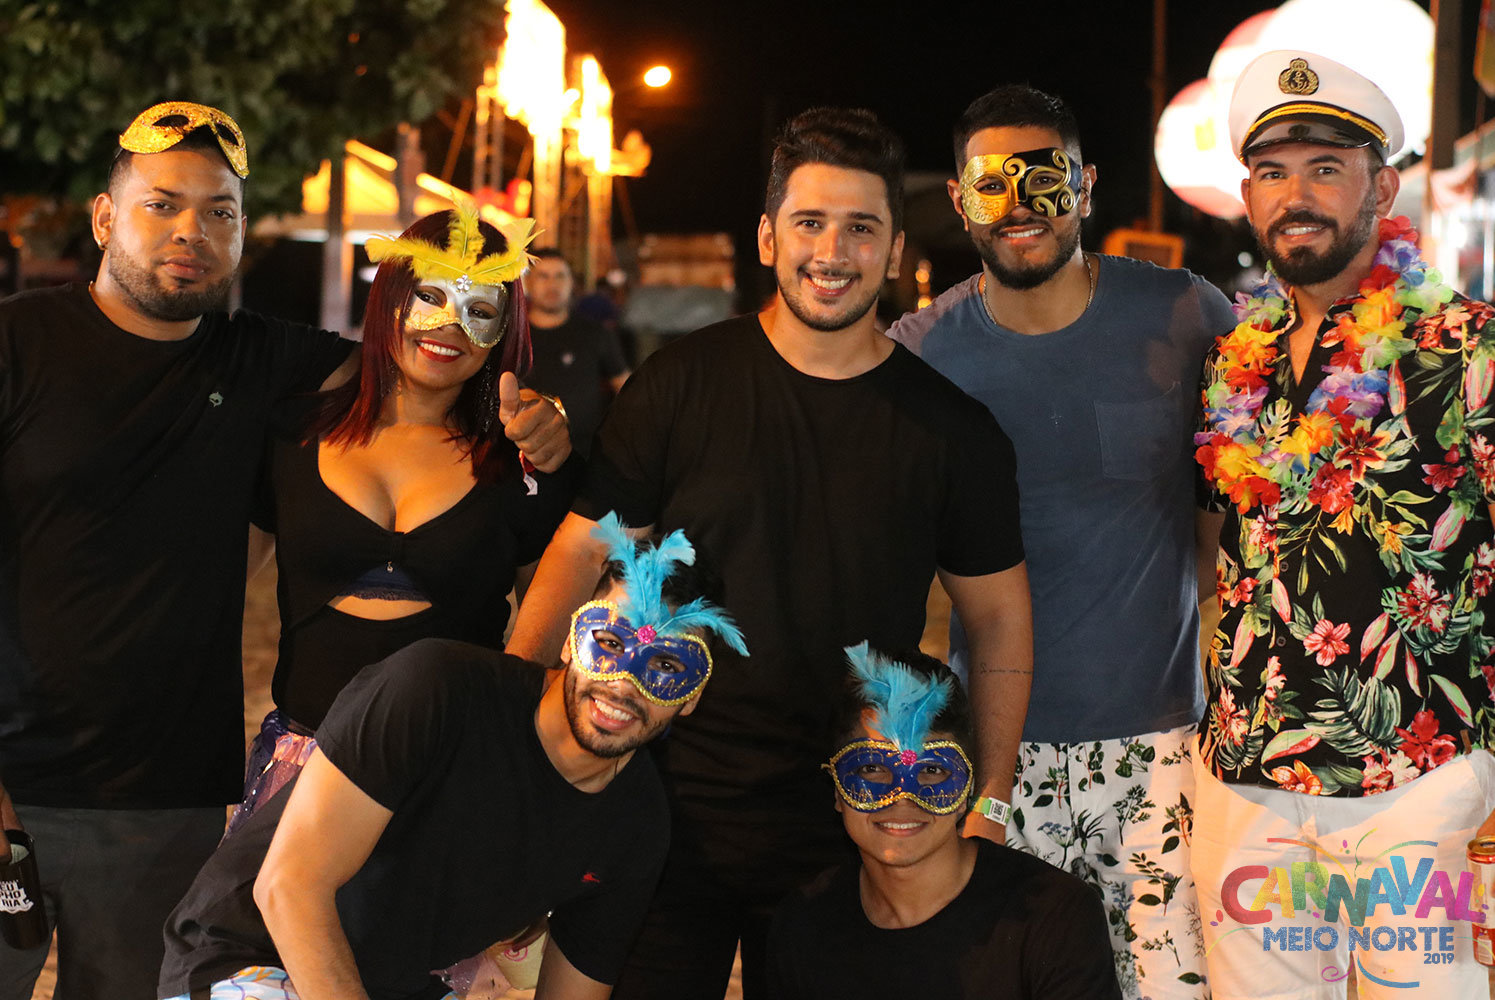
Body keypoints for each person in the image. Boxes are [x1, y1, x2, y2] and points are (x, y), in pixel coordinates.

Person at [0, 101, 566, 997]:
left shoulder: (263, 363)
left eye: (218, 212)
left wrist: (541, 418)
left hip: (167, 797)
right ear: (105, 217)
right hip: (16, 773)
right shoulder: (17, 342)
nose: (190, 231)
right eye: (162, 204)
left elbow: (412, 361)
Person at [505, 106, 1033, 1000]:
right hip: (660, 804)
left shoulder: (954, 432)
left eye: (861, 228)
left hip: (856, 819)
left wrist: (989, 800)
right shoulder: (680, 383)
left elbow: (1000, 624)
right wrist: (517, 746)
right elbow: (577, 554)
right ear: (766, 237)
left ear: (895, 251)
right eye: (810, 222)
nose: (833, 251)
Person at [887, 85, 1234, 997]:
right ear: (959, 199)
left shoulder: (1185, 315)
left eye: (1044, 177)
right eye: (991, 184)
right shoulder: (921, 353)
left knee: (1172, 987)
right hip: (997, 760)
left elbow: (1258, 473)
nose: (1020, 206)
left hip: (1163, 750)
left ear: (1085, 183)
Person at [1192, 51, 1495, 998]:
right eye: (1273, 173)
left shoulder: (1466, 345)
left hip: (1422, 784)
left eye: (1326, 169)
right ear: (1249, 196)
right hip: (1248, 779)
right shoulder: (1233, 361)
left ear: (1384, 188)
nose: (1297, 197)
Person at [159, 517, 747, 1000]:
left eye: (666, 666)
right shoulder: (435, 689)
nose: (624, 684)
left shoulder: (638, 823)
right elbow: (288, 888)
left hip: (398, 985)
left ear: (693, 695)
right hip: (254, 956)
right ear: (573, 639)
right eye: (611, 643)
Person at [225, 205, 579, 835]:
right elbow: (214, 593)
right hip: (302, 771)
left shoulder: (524, 463)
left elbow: (551, 643)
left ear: (503, 329)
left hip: (451, 774)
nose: (450, 326)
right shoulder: (292, 433)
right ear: (391, 296)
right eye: (430, 296)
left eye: (479, 309)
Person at [766, 643, 1120, 999]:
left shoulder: (1055, 918)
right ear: (836, 788)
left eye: (932, 770)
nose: (902, 798)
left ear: (967, 789)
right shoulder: (801, 928)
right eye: (872, 768)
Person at [523, 248, 630, 455]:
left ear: (571, 283)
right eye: (543, 276)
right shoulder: (513, 337)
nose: (552, 284)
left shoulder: (595, 333)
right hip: (522, 455)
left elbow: (626, 389)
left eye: (560, 276)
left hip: (584, 454)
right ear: (528, 282)